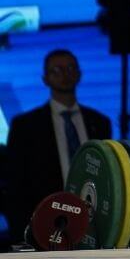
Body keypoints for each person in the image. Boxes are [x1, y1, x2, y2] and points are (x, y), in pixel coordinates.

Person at [3, 49, 112, 238]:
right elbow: (14, 184)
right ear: (45, 78)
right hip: (43, 225)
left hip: (94, 225)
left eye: (70, 68)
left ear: (79, 73)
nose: (65, 74)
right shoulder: (26, 126)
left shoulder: (100, 122)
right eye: (57, 70)